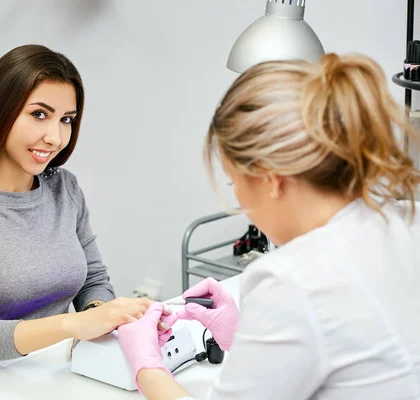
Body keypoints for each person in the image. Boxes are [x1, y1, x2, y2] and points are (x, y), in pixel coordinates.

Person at [118, 53, 420, 399]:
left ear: (270, 179)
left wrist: (146, 365)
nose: (244, 208)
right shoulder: (405, 219)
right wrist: (243, 335)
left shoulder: (291, 279)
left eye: (235, 183)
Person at [0, 45, 154, 383]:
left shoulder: (64, 188)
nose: (54, 137)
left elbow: (94, 280)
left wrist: (101, 314)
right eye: (39, 114)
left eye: (66, 119)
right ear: (0, 112)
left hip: (55, 372)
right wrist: (73, 326)